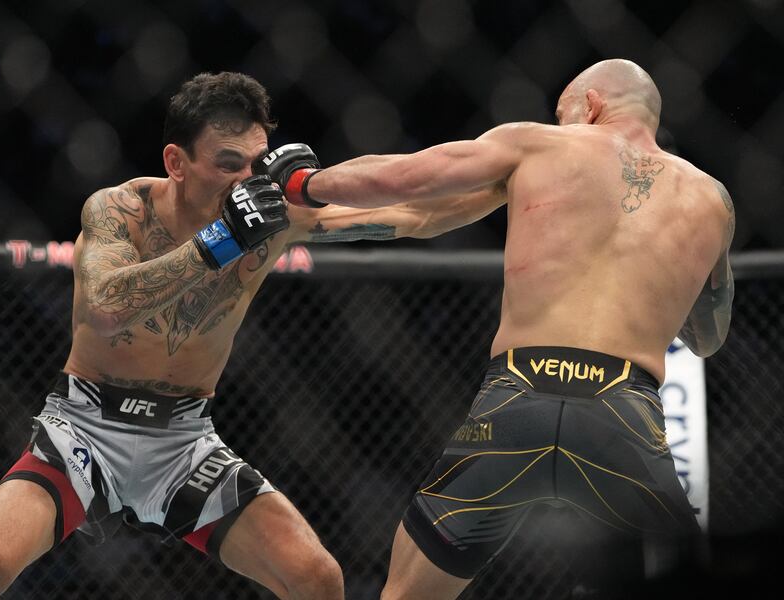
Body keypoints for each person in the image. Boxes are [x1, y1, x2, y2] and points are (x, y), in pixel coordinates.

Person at [0, 72, 507, 599]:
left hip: (183, 442)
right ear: (176, 163)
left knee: (316, 579)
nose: (243, 182)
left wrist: (515, 181)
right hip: (84, 430)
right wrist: (220, 241)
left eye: (254, 165)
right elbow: (104, 308)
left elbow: (415, 215)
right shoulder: (121, 210)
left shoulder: (275, 216)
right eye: (227, 164)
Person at [262, 59, 735, 599]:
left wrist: (303, 184)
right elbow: (709, 336)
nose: (562, 126)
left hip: (515, 401)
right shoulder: (711, 200)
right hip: (624, 414)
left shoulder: (539, 145)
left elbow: (411, 177)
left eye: (564, 114)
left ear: (592, 104)